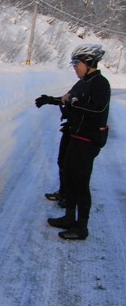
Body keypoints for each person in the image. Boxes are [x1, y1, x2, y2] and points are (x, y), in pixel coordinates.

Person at [36, 44, 110, 240]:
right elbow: (67, 98)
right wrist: (50, 100)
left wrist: (74, 103)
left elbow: (97, 109)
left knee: (80, 182)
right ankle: (69, 217)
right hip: (75, 135)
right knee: (68, 175)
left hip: (89, 139)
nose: (75, 67)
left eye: (77, 63)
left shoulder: (100, 83)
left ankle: (81, 227)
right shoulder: (83, 82)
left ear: (89, 62)